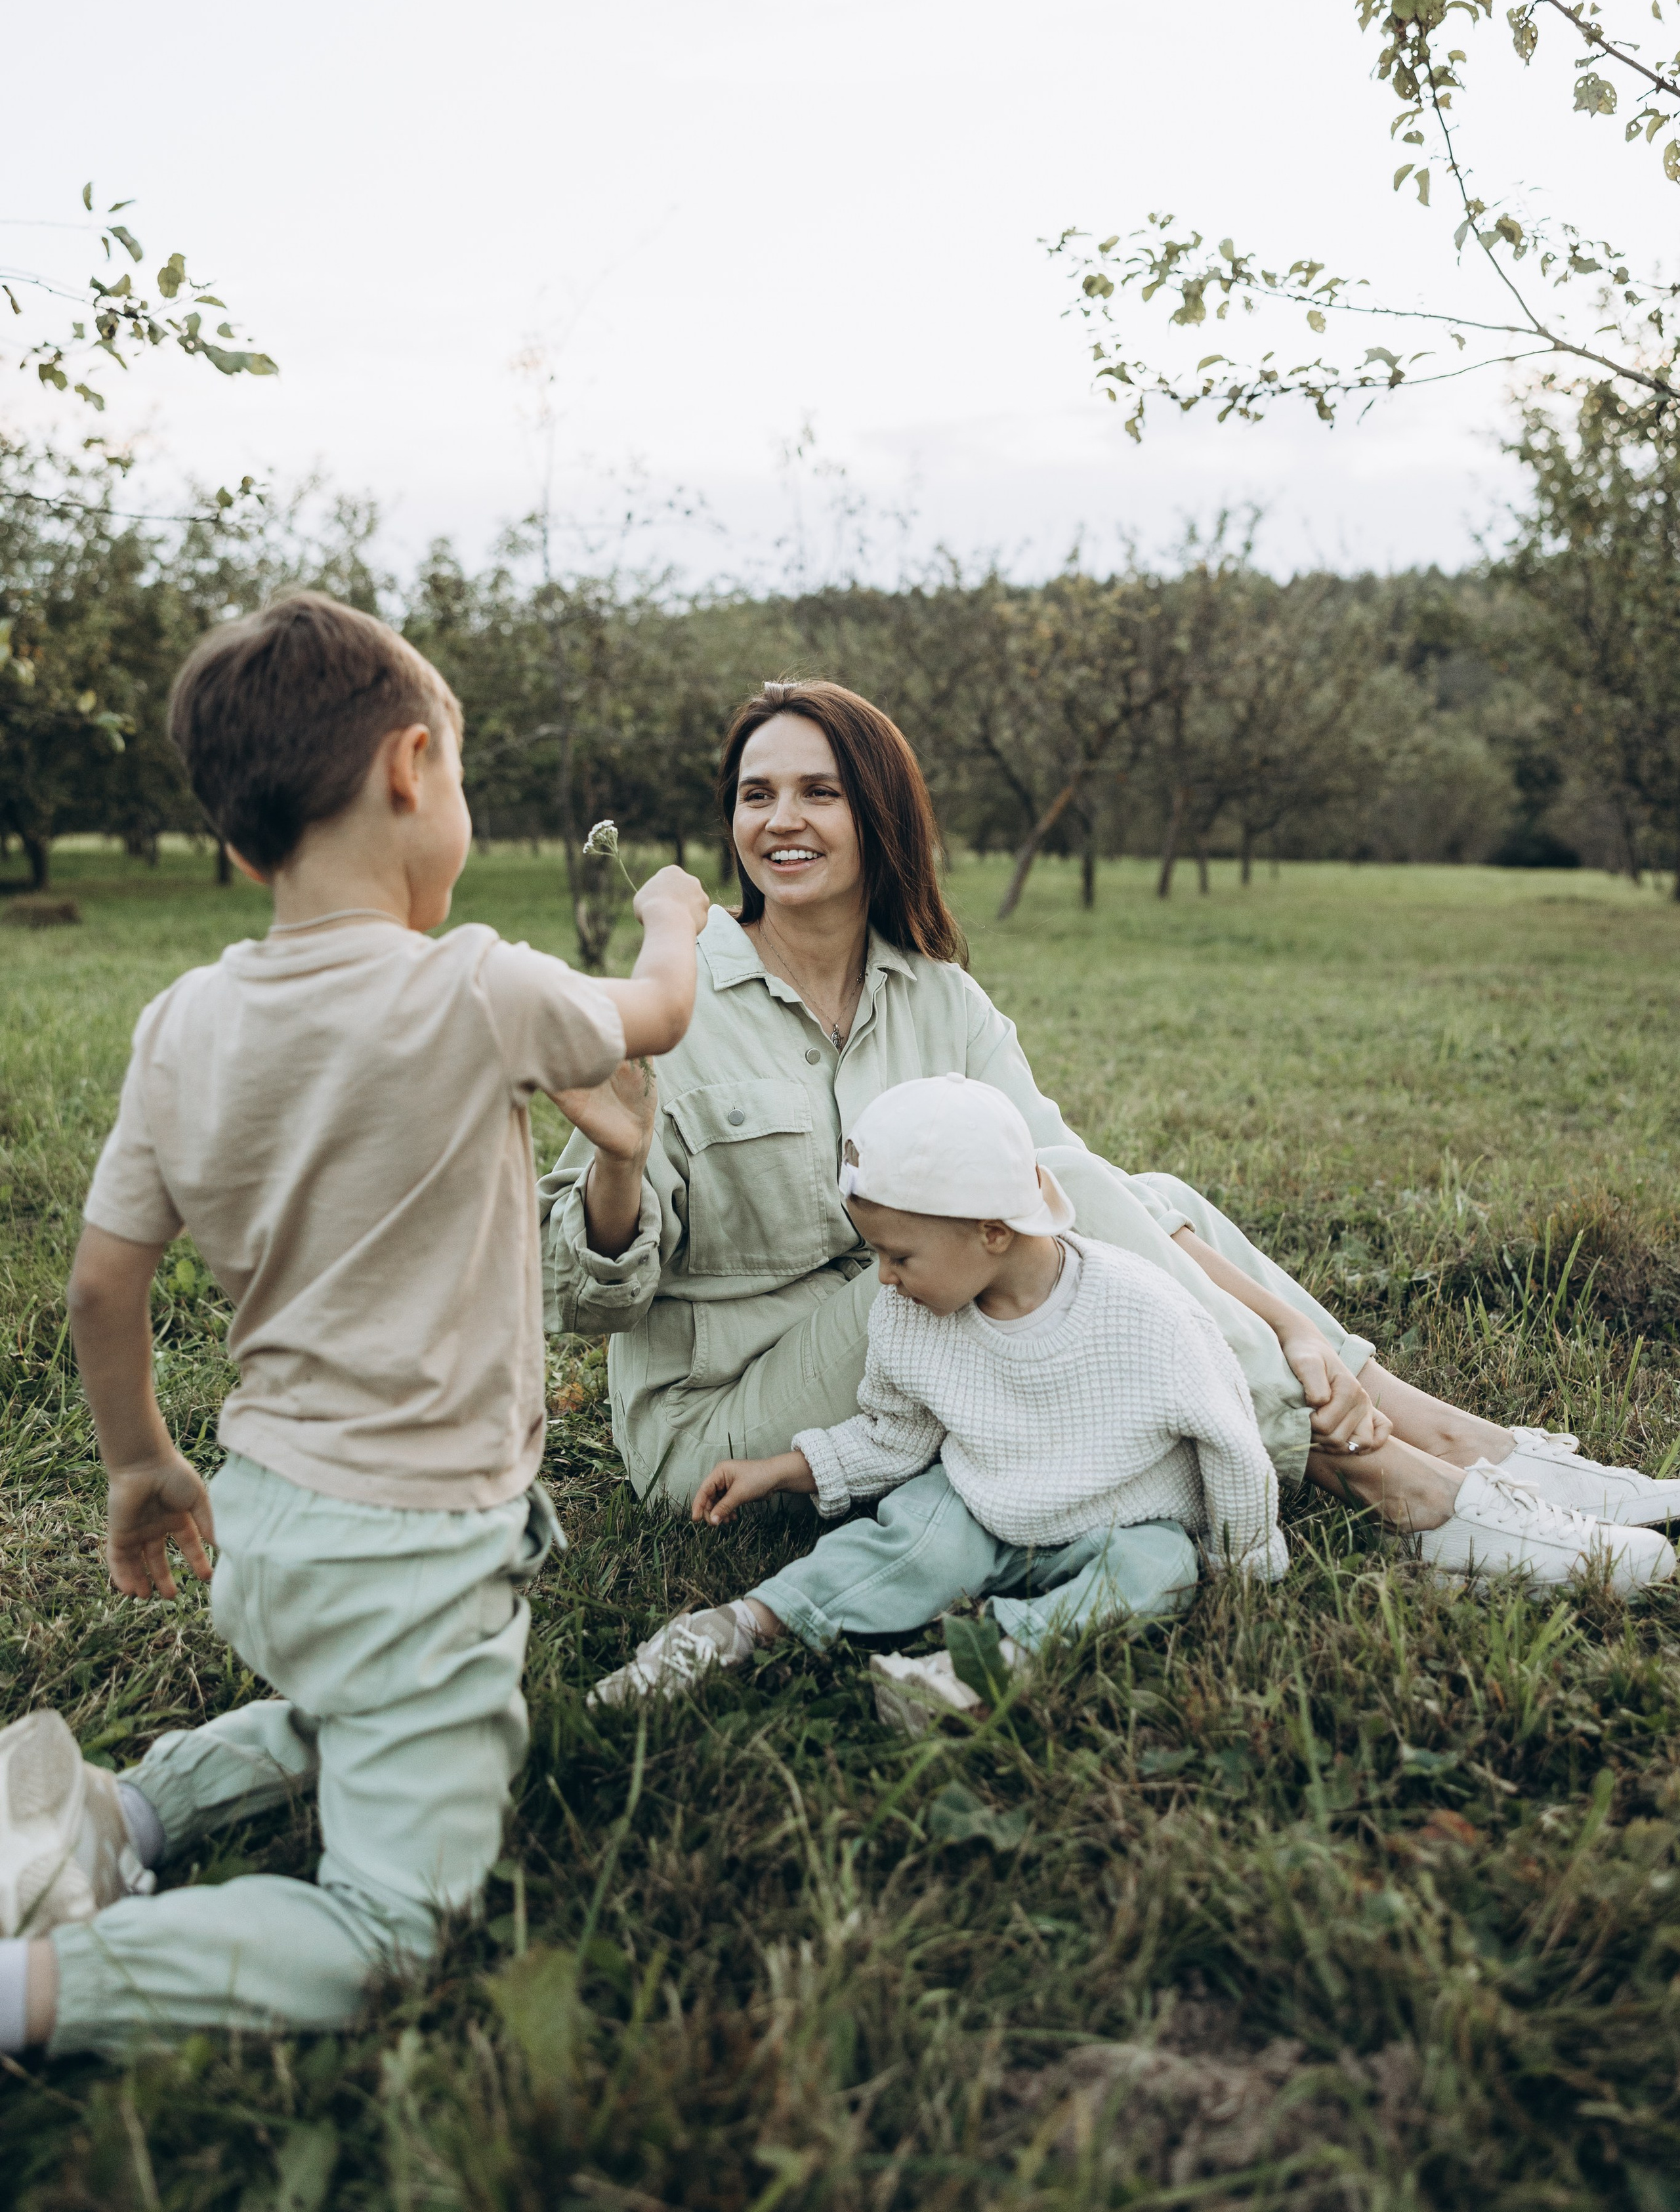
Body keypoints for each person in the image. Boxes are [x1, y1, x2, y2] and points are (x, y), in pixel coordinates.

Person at [0, 591, 711, 2059]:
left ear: (240, 834)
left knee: (358, 1699)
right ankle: (37, 1992)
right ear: (407, 771)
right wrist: (671, 917)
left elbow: (101, 1281)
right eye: (455, 773)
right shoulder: (478, 985)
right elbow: (656, 1014)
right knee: (394, 1927)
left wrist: (141, 1465)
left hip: (266, 1519)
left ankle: (125, 1809)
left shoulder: (182, 1020)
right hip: (411, 1543)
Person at [541, 678, 1680, 1590]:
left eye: (819, 792)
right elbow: (584, 1304)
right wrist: (622, 1156)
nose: (780, 820)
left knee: (1139, 1191)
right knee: (1074, 1200)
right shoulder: (669, 1006)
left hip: (925, 1340)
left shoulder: (940, 1000)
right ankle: (1393, 1482)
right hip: (734, 1426)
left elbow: (1074, 1195)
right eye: (756, 794)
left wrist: (1296, 1332)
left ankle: (1453, 1439)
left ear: (877, 813)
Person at [590, 1074, 1297, 1724]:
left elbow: (1230, 1444)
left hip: (1124, 1517)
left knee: (1158, 1572)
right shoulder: (910, 1314)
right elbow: (894, 1435)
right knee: (917, 1528)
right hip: (983, 1502)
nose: (885, 1279)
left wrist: (1247, 1568)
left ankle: (986, 1666)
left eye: (899, 1256)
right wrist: (780, 1469)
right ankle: (743, 1626)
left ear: (992, 1232)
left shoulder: (1143, 1313)